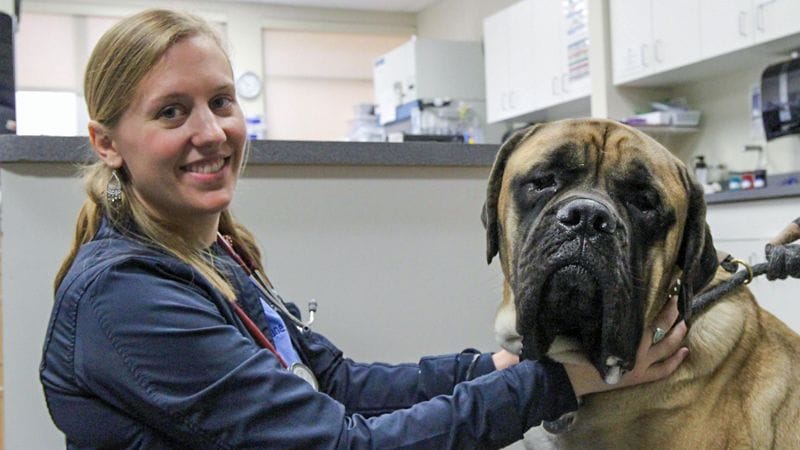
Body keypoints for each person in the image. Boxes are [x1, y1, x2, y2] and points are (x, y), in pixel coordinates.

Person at [39, 9, 689, 449]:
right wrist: (561, 382)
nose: (210, 133)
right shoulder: (127, 297)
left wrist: (500, 366)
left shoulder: (210, 252)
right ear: (107, 142)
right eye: (172, 112)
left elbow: (343, 385)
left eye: (221, 102)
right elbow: (348, 443)